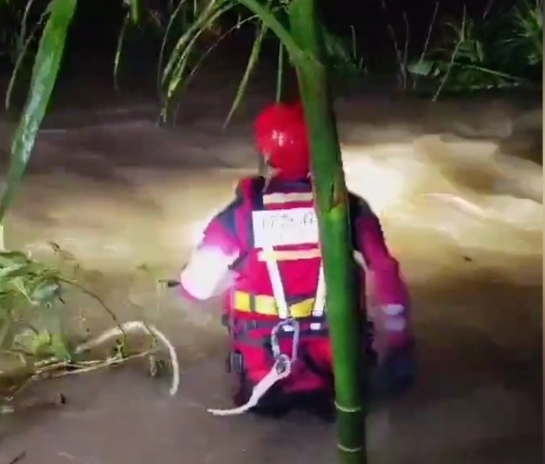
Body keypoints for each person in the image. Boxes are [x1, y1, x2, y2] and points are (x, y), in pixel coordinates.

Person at [176, 101, 414, 421]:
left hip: (265, 374)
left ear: (265, 152)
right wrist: (398, 339)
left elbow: (195, 288)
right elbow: (386, 273)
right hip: (336, 373)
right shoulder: (348, 210)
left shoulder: (241, 215)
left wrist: (224, 282)